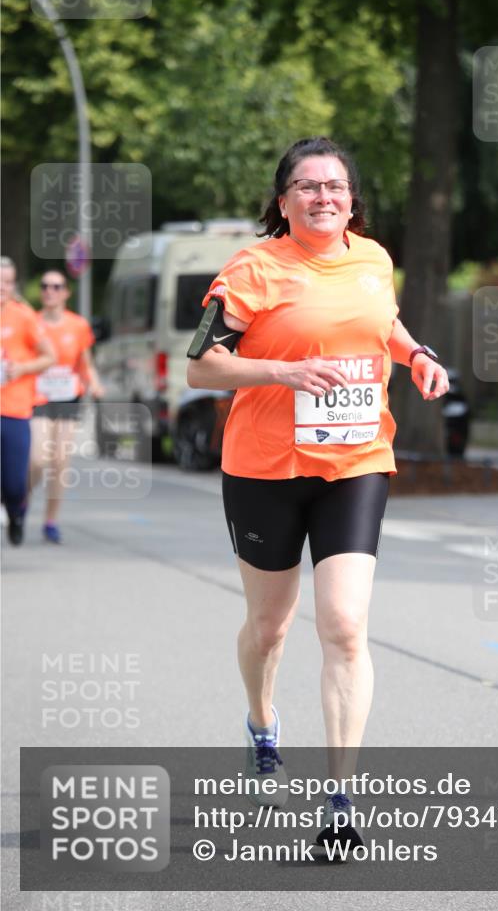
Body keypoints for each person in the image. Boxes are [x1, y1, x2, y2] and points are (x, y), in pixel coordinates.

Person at [187, 137, 448, 852]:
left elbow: (379, 325)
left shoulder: (371, 259)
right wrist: (282, 372)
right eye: (306, 187)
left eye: (334, 186)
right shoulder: (252, 268)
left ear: (351, 199)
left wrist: (416, 354)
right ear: (283, 202)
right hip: (264, 468)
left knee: (343, 625)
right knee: (269, 628)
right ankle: (262, 722)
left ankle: (339, 800)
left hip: (356, 460)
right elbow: (203, 368)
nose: (322, 197)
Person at [30, 269, 104, 544]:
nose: (50, 290)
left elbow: (85, 362)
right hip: (38, 397)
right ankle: (20, 500)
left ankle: (50, 521)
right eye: (45, 285)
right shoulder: (33, 322)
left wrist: (94, 383)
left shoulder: (77, 325)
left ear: (66, 293)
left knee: (60, 460)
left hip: (68, 397)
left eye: (56, 286)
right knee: (38, 459)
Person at [0, 257, 55, 545]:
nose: (3, 287)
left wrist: (20, 369)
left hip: (14, 409)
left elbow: (49, 356)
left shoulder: (23, 316)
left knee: (12, 483)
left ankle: (16, 512)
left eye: (8, 282)